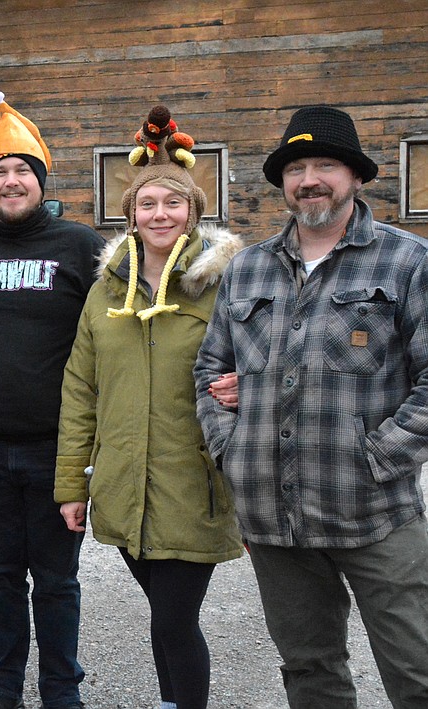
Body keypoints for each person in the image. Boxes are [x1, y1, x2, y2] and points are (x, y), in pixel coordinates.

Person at [194, 105, 428, 708]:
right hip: (276, 516)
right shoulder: (246, 269)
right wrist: (231, 448)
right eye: (296, 167)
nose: (310, 179)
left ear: (354, 176)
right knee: (309, 667)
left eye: (326, 164)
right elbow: (209, 371)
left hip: (372, 509)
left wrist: (382, 457)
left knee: (417, 668)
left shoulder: (406, 262)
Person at [55, 107, 243, 709]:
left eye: (172, 204)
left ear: (193, 211)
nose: (159, 215)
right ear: (130, 214)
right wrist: (70, 485)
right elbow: (80, 389)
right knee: (165, 616)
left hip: (196, 480)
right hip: (123, 482)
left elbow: (268, 360)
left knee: (173, 618)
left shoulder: (226, 285)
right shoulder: (105, 290)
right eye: (147, 205)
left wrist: (247, 384)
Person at [0, 86, 104, 709]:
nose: (11, 181)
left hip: (58, 449)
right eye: (0, 172)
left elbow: (113, 337)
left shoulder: (79, 246)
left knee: (56, 580)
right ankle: (2, 686)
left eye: (21, 172)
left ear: (40, 180)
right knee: (0, 576)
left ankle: (62, 690)